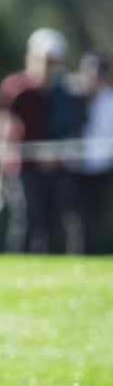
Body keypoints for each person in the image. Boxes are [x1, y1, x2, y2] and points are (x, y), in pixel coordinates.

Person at [0, 28, 69, 253]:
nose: (47, 67)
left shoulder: (64, 91)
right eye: (44, 60)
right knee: (27, 221)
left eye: (53, 62)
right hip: (20, 167)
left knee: (51, 225)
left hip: (55, 169)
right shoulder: (15, 88)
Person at [69, 52, 113, 254]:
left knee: (96, 219)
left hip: (102, 168)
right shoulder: (72, 97)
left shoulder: (110, 102)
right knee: (76, 220)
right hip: (75, 168)